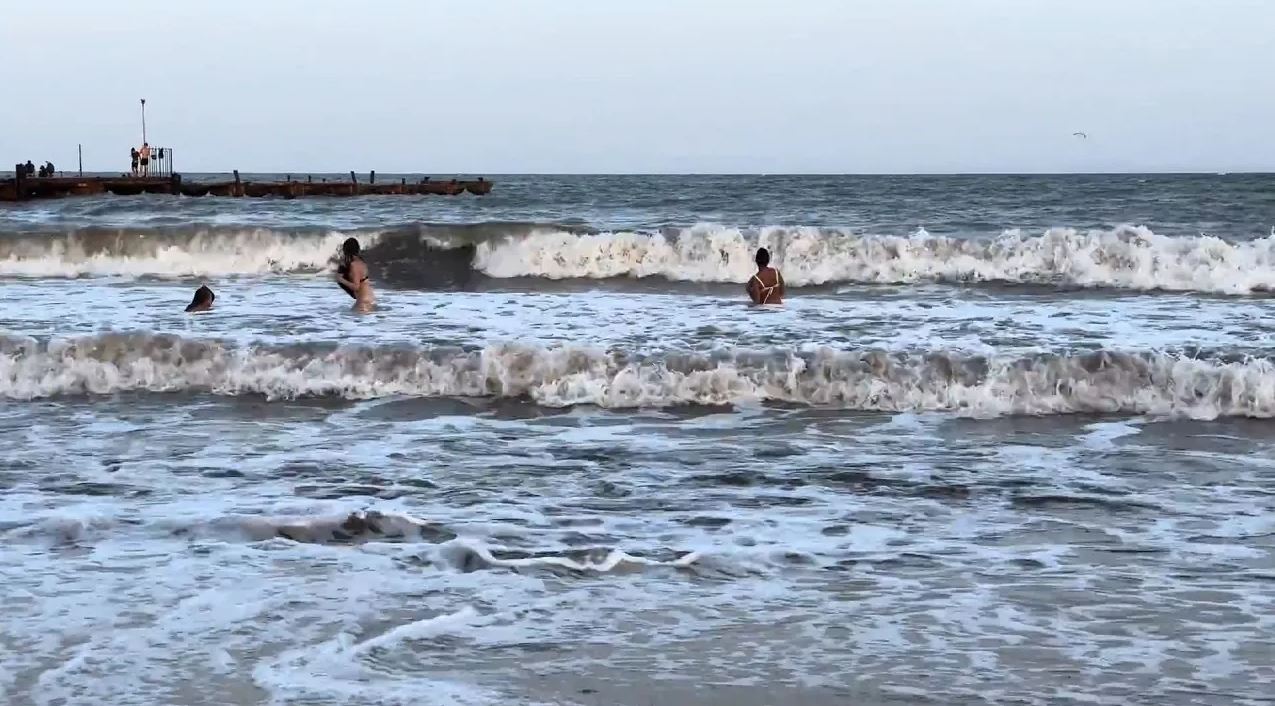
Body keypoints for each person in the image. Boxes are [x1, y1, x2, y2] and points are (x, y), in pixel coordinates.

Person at [335, 237, 375, 312]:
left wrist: (341, 279)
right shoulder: (361, 262)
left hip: (363, 302)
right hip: (369, 299)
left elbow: (356, 287)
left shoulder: (354, 265)